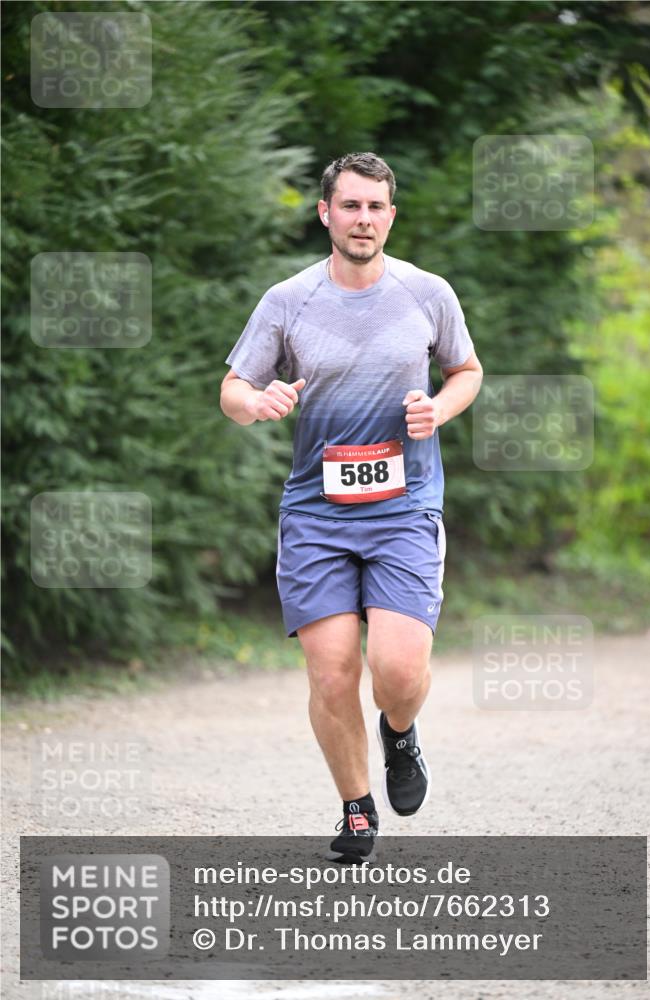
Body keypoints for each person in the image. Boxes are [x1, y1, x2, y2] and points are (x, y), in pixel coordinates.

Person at [220, 152, 482, 862]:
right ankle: (356, 809)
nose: (362, 218)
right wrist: (258, 400)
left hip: (403, 507)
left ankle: (400, 732)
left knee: (396, 671)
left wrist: (439, 408)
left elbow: (465, 370)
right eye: (350, 205)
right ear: (325, 214)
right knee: (332, 671)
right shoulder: (288, 300)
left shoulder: (427, 293)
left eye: (375, 207)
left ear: (390, 216)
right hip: (315, 512)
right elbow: (234, 391)